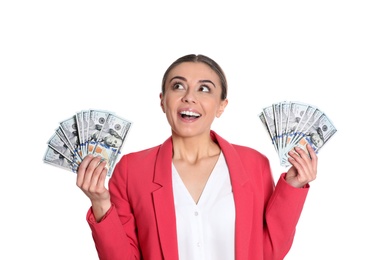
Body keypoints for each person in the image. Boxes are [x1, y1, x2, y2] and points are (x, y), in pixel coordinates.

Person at [76, 54, 318, 260]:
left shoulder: (254, 164)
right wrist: (100, 202)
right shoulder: (131, 170)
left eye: (204, 89)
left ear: (221, 106)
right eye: (178, 86)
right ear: (163, 101)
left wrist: (293, 186)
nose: (189, 97)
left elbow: (268, 252)